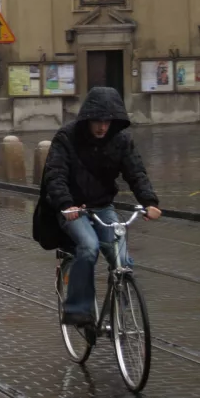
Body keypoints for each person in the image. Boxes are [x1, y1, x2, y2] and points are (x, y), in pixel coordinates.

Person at [41, 87, 161, 331]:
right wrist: (66, 204)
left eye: (107, 121)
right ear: (87, 118)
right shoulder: (66, 137)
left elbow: (135, 172)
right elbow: (55, 175)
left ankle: (122, 312)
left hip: (102, 206)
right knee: (89, 247)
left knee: (122, 259)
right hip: (73, 208)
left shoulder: (121, 140)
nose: (102, 127)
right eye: (97, 121)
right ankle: (77, 310)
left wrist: (149, 202)